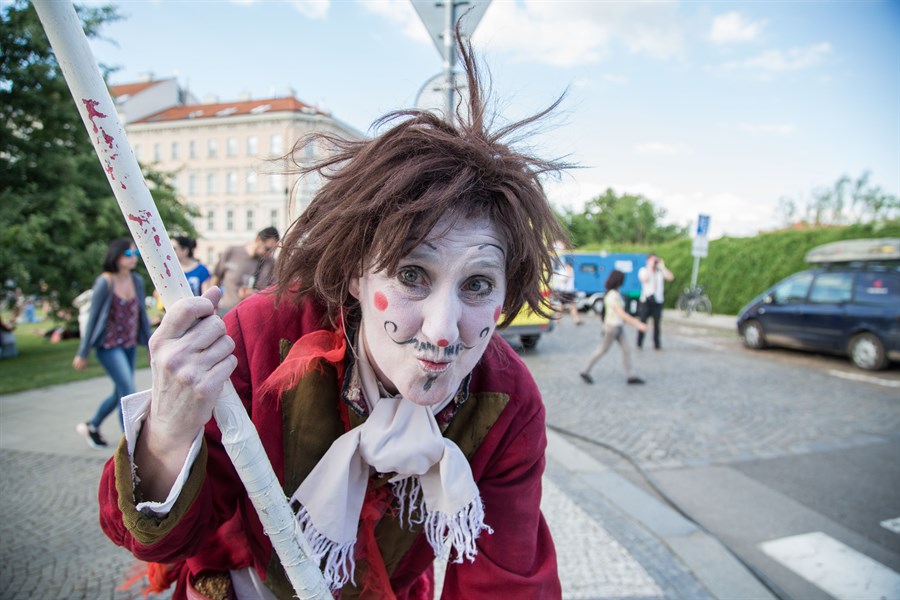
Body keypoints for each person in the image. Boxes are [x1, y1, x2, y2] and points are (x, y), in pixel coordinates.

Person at [98, 39, 565, 599]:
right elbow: (155, 539)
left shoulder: (508, 400)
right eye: (412, 274)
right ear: (355, 274)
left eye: (478, 285)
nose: (443, 330)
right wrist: (168, 433)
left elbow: (507, 581)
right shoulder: (262, 333)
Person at [73, 239, 152, 448]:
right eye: (128, 253)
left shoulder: (137, 281)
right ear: (116, 256)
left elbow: (142, 315)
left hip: (129, 345)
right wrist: (83, 352)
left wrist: (151, 344)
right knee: (128, 390)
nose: (133, 257)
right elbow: (93, 319)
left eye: (135, 253)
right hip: (108, 346)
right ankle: (129, 442)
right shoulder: (105, 282)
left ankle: (92, 426)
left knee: (119, 392)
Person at [579, 270, 648, 385]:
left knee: (626, 350)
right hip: (612, 327)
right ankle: (585, 370)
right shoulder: (613, 295)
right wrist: (638, 324)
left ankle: (631, 375)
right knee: (602, 349)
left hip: (617, 326)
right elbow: (622, 314)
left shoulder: (614, 293)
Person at [209, 226, 280, 315]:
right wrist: (211, 304)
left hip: (253, 314)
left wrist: (255, 293)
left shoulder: (271, 263)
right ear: (258, 240)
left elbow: (274, 291)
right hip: (227, 311)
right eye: (267, 249)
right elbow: (216, 278)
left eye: (273, 251)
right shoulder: (232, 252)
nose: (270, 254)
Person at [636, 253, 674, 350]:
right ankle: (639, 343)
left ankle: (657, 344)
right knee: (643, 322)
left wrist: (662, 267)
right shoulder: (643, 270)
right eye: (653, 260)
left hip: (658, 300)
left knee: (657, 323)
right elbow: (644, 279)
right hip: (646, 300)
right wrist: (650, 268)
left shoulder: (659, 271)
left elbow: (670, 277)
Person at [550, 258, 582, 325]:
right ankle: (558, 319)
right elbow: (563, 280)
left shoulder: (570, 271)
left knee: (571, 306)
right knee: (562, 306)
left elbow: (565, 279)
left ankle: (576, 320)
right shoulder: (564, 271)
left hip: (569, 291)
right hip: (564, 291)